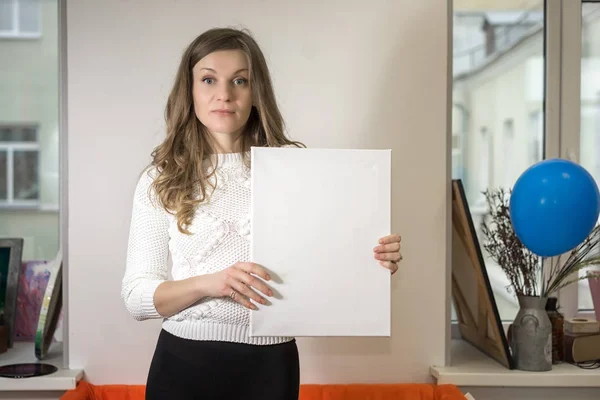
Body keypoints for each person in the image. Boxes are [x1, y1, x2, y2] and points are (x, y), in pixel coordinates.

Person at [120, 27, 403, 400]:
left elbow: (329, 264)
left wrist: (375, 261)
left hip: (271, 366)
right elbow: (137, 297)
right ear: (189, 90)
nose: (224, 94)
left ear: (257, 92)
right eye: (208, 80)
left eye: (240, 80)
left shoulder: (297, 170)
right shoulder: (162, 179)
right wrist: (212, 283)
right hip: (183, 364)